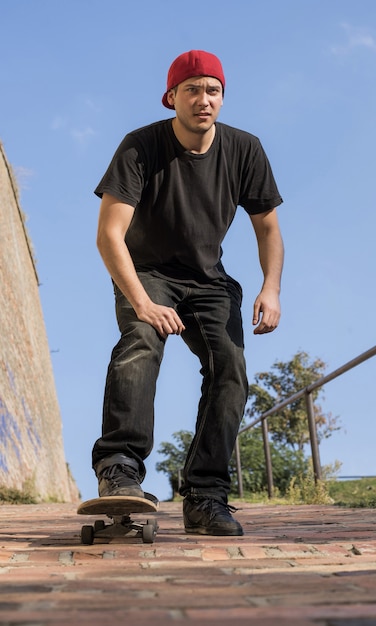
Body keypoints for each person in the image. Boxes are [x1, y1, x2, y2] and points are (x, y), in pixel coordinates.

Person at [92, 50, 284, 536]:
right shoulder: (140, 147)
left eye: (213, 90)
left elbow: (268, 229)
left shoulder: (245, 149)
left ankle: (205, 494)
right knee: (141, 342)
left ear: (223, 97)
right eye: (193, 90)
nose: (204, 100)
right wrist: (142, 302)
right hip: (148, 273)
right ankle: (120, 469)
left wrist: (271, 288)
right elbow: (109, 235)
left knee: (231, 366)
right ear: (171, 97)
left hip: (208, 280)